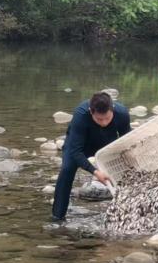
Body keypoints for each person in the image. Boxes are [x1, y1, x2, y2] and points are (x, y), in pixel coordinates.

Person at [51, 92, 131, 221]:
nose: (104, 122)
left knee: (126, 171)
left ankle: (126, 214)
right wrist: (95, 171)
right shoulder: (81, 115)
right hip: (81, 145)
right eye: (99, 119)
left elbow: (126, 143)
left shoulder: (122, 114)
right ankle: (57, 216)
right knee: (66, 170)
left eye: (107, 118)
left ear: (112, 109)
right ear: (91, 111)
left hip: (107, 145)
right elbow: (75, 152)